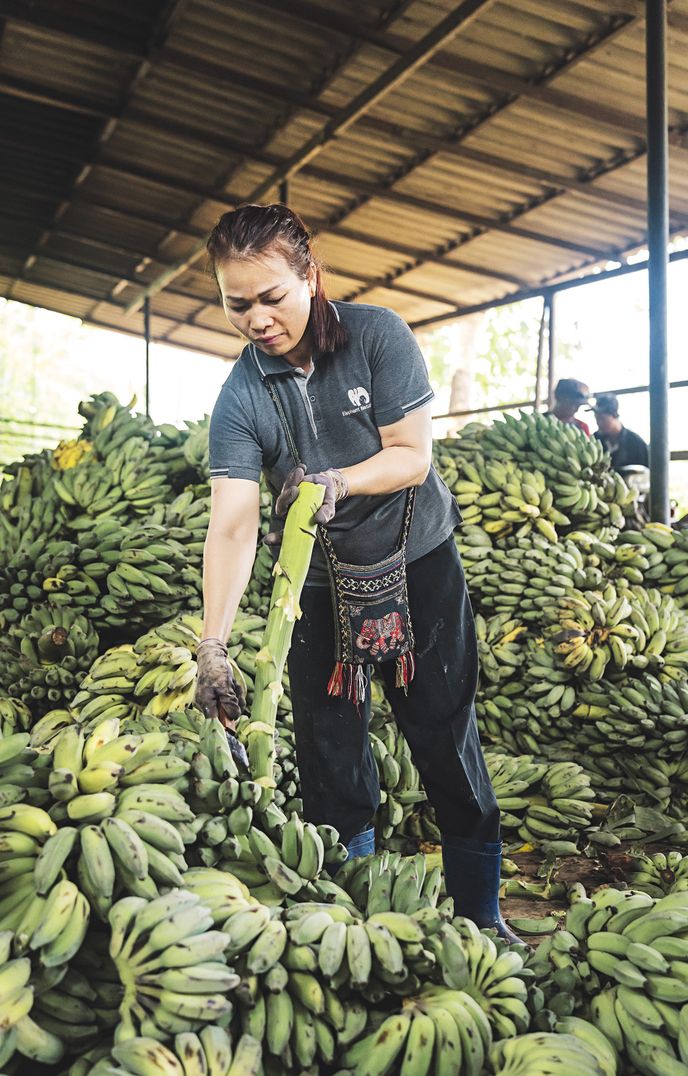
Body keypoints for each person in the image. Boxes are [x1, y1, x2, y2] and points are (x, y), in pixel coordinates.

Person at [194, 202, 517, 942]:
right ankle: (355, 918)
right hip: (314, 583)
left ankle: (484, 911)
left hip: (417, 562)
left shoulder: (378, 337)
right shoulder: (242, 394)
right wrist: (212, 644)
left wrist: (339, 480)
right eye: (236, 304)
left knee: (443, 734)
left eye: (271, 297)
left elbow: (412, 455)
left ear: (310, 276)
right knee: (329, 749)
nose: (257, 319)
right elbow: (234, 523)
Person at [589, 393, 649, 469]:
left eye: (602, 419)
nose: (598, 423)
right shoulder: (594, 440)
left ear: (614, 415)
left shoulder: (636, 443)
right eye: (597, 419)